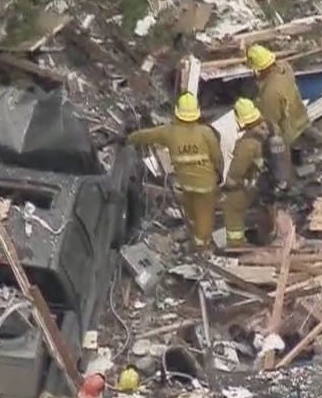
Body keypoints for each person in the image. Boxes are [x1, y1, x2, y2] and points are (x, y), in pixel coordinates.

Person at [124, 93, 222, 250]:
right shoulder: (206, 132)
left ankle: (194, 240)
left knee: (191, 213)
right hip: (206, 185)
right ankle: (200, 247)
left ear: (177, 113)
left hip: (186, 184)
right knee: (204, 218)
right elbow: (217, 157)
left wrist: (127, 138)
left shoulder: (169, 131)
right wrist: (219, 174)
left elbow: (146, 135)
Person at [245, 44, 309, 167]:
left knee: (275, 151)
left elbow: (270, 123)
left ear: (259, 70)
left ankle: (285, 168)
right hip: (300, 117)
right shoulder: (285, 68)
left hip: (288, 131)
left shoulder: (270, 94)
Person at [220, 98, 270, 249]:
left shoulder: (247, 145)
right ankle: (263, 236)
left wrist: (227, 183)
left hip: (245, 185)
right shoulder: (263, 131)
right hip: (258, 182)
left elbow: (235, 174)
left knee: (232, 211)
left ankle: (236, 245)